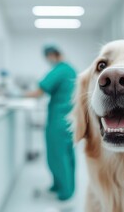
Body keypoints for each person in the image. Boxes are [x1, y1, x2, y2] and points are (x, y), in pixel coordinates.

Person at [26, 45, 77, 201]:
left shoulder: (60, 70)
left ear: (53, 55)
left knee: (57, 155)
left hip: (58, 120)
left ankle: (65, 193)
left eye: (47, 57)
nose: (48, 60)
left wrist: (17, 93)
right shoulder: (70, 69)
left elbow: (38, 92)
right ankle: (62, 186)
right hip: (69, 118)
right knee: (67, 155)